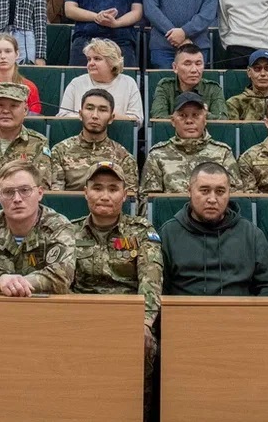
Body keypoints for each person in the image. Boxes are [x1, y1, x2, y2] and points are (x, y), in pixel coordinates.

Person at [71, 161, 163, 383]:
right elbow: (61, 281)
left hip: (128, 317)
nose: (105, 196)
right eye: (97, 188)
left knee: (145, 344)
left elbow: (151, 279)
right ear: (85, 192)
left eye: (113, 189)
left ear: (124, 195)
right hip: (81, 316)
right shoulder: (69, 232)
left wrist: (144, 322)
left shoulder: (141, 232)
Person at [0, 161, 76, 295]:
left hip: (45, 306)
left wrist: (15, 284)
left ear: (40, 193)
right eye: (8, 192)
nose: (17, 199)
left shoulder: (58, 227)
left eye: (25, 190)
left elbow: (61, 277)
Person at [159, 161, 268, 295]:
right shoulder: (169, 233)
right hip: (185, 308)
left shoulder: (251, 234)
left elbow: (265, 287)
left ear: (229, 193)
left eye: (220, 192)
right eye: (204, 191)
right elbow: (160, 288)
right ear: (189, 191)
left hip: (238, 308)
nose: (212, 199)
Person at [140, 93, 239, 194]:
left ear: (205, 120)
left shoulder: (223, 153)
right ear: (173, 121)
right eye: (183, 115)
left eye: (195, 115)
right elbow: (149, 199)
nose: (189, 121)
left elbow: (235, 195)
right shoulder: (157, 155)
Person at [50, 89, 139, 191]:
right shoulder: (60, 151)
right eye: (89, 108)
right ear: (80, 114)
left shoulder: (124, 157)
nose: (95, 116)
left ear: (111, 118)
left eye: (102, 110)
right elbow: (56, 195)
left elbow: (129, 197)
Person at [0, 82, 51, 187]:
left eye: (13, 106)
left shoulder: (38, 144)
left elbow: (42, 186)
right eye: (0, 105)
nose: (6, 111)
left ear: (25, 110)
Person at [59, 38, 143, 121]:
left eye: (97, 59)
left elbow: (137, 119)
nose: (91, 63)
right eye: (89, 59)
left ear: (112, 62)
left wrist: (111, 118)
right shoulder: (76, 83)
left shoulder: (128, 83)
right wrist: (89, 117)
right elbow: (62, 116)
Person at [150, 44, 227, 119]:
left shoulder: (213, 89)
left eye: (198, 64)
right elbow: (158, 117)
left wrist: (203, 114)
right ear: (175, 67)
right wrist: (199, 115)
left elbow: (222, 119)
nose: (194, 70)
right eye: (187, 64)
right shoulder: (165, 86)